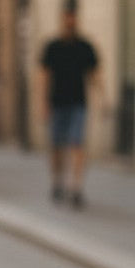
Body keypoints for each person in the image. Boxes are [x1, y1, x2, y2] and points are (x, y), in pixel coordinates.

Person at [39, 0, 104, 209]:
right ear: (63, 18)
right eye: (68, 16)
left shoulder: (85, 47)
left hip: (78, 104)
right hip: (57, 103)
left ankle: (76, 187)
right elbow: (44, 77)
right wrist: (43, 103)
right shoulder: (52, 47)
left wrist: (102, 99)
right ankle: (57, 182)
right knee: (57, 147)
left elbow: (94, 75)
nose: (71, 21)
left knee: (77, 145)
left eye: (73, 16)